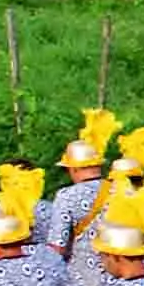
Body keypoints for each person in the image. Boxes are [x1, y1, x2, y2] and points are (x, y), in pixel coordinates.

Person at [39, 109, 120, 256]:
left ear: (74, 169)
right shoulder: (122, 190)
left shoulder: (66, 196)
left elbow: (58, 246)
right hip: (123, 271)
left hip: (83, 273)